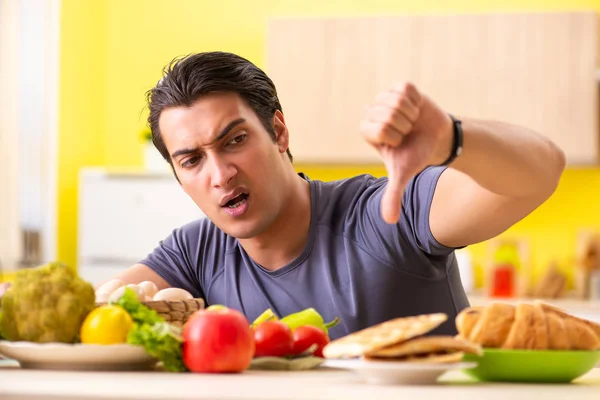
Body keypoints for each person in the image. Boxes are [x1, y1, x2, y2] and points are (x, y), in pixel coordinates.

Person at [110, 51, 565, 340]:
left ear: (278, 130)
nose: (220, 173)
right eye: (192, 160)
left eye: (234, 140)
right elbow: (94, 315)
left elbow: (541, 173)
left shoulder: (383, 212)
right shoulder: (196, 251)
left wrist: (452, 138)